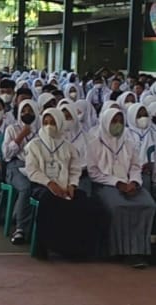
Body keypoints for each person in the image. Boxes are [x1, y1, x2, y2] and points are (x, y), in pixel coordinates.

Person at [26, 108, 103, 259]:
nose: (49, 126)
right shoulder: (34, 145)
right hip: (42, 186)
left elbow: (75, 170)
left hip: (66, 186)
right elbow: (32, 171)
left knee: (84, 203)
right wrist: (50, 183)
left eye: (53, 122)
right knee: (50, 201)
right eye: (46, 123)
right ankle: (44, 246)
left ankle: (75, 248)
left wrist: (72, 185)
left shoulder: (68, 146)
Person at [87, 108, 156, 268]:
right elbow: (94, 172)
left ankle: (140, 250)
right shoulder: (94, 144)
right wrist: (117, 183)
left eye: (120, 121)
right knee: (120, 207)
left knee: (148, 205)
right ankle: (121, 251)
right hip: (106, 185)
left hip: (130, 183)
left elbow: (135, 166)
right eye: (114, 121)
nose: (117, 125)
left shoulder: (128, 142)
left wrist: (134, 182)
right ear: (105, 123)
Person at [2, 99, 40, 244]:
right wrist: (21, 136)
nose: (27, 114)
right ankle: (20, 229)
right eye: (24, 111)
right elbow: (6, 155)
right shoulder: (12, 129)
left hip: (37, 165)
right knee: (25, 187)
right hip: (16, 165)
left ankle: (24, 218)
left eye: (30, 111)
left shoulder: (42, 129)